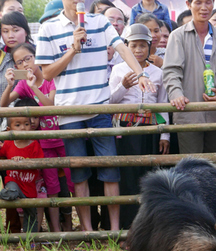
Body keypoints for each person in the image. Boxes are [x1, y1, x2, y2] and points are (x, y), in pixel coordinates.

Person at [37, 0, 154, 232]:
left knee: (110, 169)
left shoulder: (100, 22)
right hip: (68, 111)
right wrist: (73, 49)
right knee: (79, 173)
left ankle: (114, 230)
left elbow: (121, 47)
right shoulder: (48, 28)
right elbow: (47, 72)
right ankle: (88, 230)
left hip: (100, 107)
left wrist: (140, 72)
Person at [1, 43, 74, 232]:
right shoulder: (24, 84)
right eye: (19, 62)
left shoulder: (51, 78)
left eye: (28, 58)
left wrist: (35, 87)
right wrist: (9, 85)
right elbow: (4, 105)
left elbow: (50, 105)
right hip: (45, 146)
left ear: (37, 56)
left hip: (63, 138)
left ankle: (69, 224)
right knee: (51, 186)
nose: (25, 64)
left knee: (70, 183)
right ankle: (56, 228)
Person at [109, 24, 170, 229]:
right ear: (126, 46)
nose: (138, 50)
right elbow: (110, 102)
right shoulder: (118, 70)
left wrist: (165, 136)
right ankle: (128, 226)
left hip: (151, 128)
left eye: (143, 45)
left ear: (149, 47)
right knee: (128, 176)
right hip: (126, 129)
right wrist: (123, 86)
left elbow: (163, 106)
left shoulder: (157, 73)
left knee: (148, 175)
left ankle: (148, 227)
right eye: (133, 45)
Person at [163, 0, 216, 155]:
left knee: (214, 168)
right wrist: (177, 95)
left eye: (208, 2)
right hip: (188, 113)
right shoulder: (178, 36)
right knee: (192, 168)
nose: (204, 7)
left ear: (213, 4)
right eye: (198, 2)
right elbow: (171, 72)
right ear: (189, 4)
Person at [0, 105, 44, 233]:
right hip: (13, 181)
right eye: (18, 125)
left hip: (29, 186)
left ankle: (30, 239)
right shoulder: (8, 143)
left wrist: (25, 161)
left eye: (26, 124)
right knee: (11, 191)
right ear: (9, 129)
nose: (23, 127)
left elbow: (41, 163)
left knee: (31, 213)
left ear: (31, 126)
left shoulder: (34, 144)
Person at [0, 12, 31, 96]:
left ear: (26, 31)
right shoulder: (2, 56)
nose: (10, 36)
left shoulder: (37, 55)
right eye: (5, 31)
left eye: (15, 30)